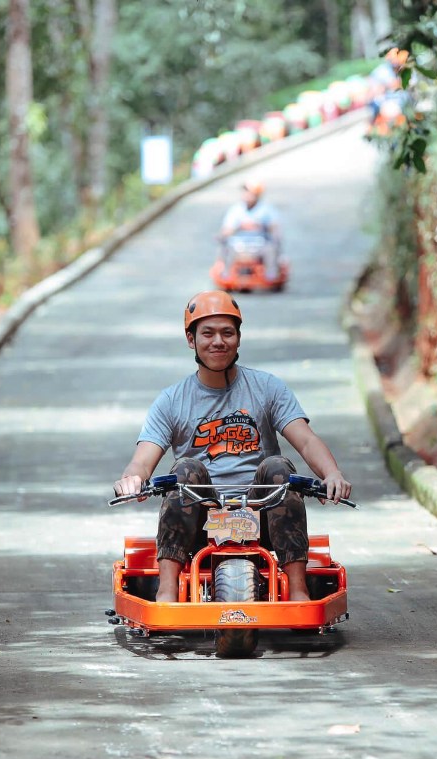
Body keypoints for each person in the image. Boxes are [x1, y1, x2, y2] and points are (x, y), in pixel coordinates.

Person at [112, 290, 352, 603]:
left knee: (279, 467)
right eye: (207, 333)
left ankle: (298, 589)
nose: (218, 342)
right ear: (191, 340)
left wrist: (332, 473)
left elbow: (305, 439)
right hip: (200, 518)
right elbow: (142, 461)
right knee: (185, 469)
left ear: (238, 339)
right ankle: (167, 590)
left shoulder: (267, 388)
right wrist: (132, 479)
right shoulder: (171, 400)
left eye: (227, 333)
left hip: (262, 514)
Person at [218, 180, 283, 281]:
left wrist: (262, 226)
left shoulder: (266, 210)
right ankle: (226, 274)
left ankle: (271, 274)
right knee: (226, 247)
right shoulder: (235, 210)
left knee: (271, 248)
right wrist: (239, 227)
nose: (246, 195)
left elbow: (275, 228)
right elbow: (226, 231)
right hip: (238, 246)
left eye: (249, 193)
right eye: (245, 192)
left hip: (259, 245)